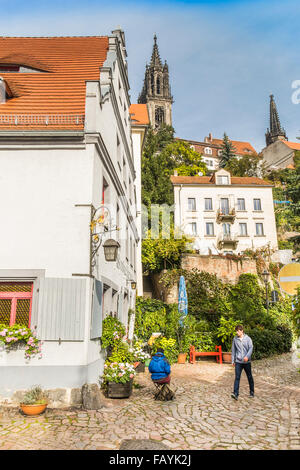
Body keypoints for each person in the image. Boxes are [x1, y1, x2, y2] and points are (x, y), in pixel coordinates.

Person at [231, 325, 254, 400]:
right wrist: (233, 360)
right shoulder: (235, 339)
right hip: (238, 361)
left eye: (238, 331)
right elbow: (233, 350)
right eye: (236, 331)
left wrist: (247, 356)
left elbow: (251, 348)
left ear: (242, 331)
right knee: (237, 377)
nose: (237, 332)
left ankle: (252, 392)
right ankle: (235, 393)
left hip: (246, 362)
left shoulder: (248, 339)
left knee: (249, 377)